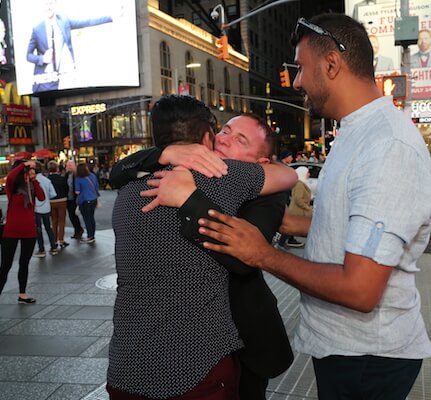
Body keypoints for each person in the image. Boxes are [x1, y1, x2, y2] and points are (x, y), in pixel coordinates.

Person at [186, 14, 431, 400]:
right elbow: (349, 221)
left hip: (367, 358)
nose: (299, 80)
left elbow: (360, 289)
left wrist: (262, 255)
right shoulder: (355, 131)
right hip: (348, 350)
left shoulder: (387, 147)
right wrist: (285, 222)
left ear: (332, 64)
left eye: (301, 67)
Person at [107, 95, 297, 400]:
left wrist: (187, 197)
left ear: (262, 162)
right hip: (201, 359)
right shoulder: (223, 178)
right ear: (207, 136)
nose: (225, 140)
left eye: (240, 139)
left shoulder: (128, 192)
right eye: (225, 131)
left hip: (231, 343)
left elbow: (246, 258)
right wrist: (167, 155)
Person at [0, 160, 45, 318]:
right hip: (11, 231)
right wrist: (25, 165)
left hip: (29, 231)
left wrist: (34, 179)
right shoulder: (12, 187)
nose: (31, 172)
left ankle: (22, 294)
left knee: (24, 263)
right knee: (6, 265)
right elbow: (11, 176)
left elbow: (42, 197)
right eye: (28, 170)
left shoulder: (32, 187)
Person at [26, 0, 115, 92]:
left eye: (51, 3)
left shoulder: (64, 22)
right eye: (46, 4)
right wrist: (42, 59)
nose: (48, 7)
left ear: (56, 5)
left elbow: (87, 22)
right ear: (42, 7)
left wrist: (111, 17)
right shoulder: (37, 29)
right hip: (45, 79)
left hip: (63, 75)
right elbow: (28, 56)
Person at [276, 149, 303, 249]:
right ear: (285, 157)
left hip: (286, 197)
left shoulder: (285, 167)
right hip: (280, 197)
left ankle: (285, 241)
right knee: (283, 221)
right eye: (290, 156)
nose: (292, 158)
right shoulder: (279, 167)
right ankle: (281, 243)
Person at [32, 163, 59, 257]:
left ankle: (41, 249)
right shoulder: (47, 180)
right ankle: (53, 247)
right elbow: (53, 194)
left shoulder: (32, 181)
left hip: (36, 208)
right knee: (48, 227)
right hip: (47, 207)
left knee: (38, 229)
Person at [74, 163, 99, 244]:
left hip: (84, 200)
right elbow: (96, 186)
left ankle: (90, 236)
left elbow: (77, 192)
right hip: (93, 199)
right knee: (91, 218)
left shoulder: (78, 178)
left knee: (87, 219)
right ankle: (92, 235)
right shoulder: (92, 176)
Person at [47, 160, 69, 248]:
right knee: (62, 221)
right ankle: (61, 240)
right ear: (57, 168)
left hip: (51, 202)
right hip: (62, 200)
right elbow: (66, 189)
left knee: (54, 221)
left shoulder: (47, 180)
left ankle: (54, 240)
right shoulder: (62, 179)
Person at [65, 160, 84, 240]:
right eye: (67, 165)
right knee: (71, 215)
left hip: (75, 197)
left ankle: (78, 230)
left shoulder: (77, 175)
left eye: (70, 165)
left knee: (73, 214)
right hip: (68, 198)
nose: (69, 167)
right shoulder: (67, 175)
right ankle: (78, 229)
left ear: (74, 166)